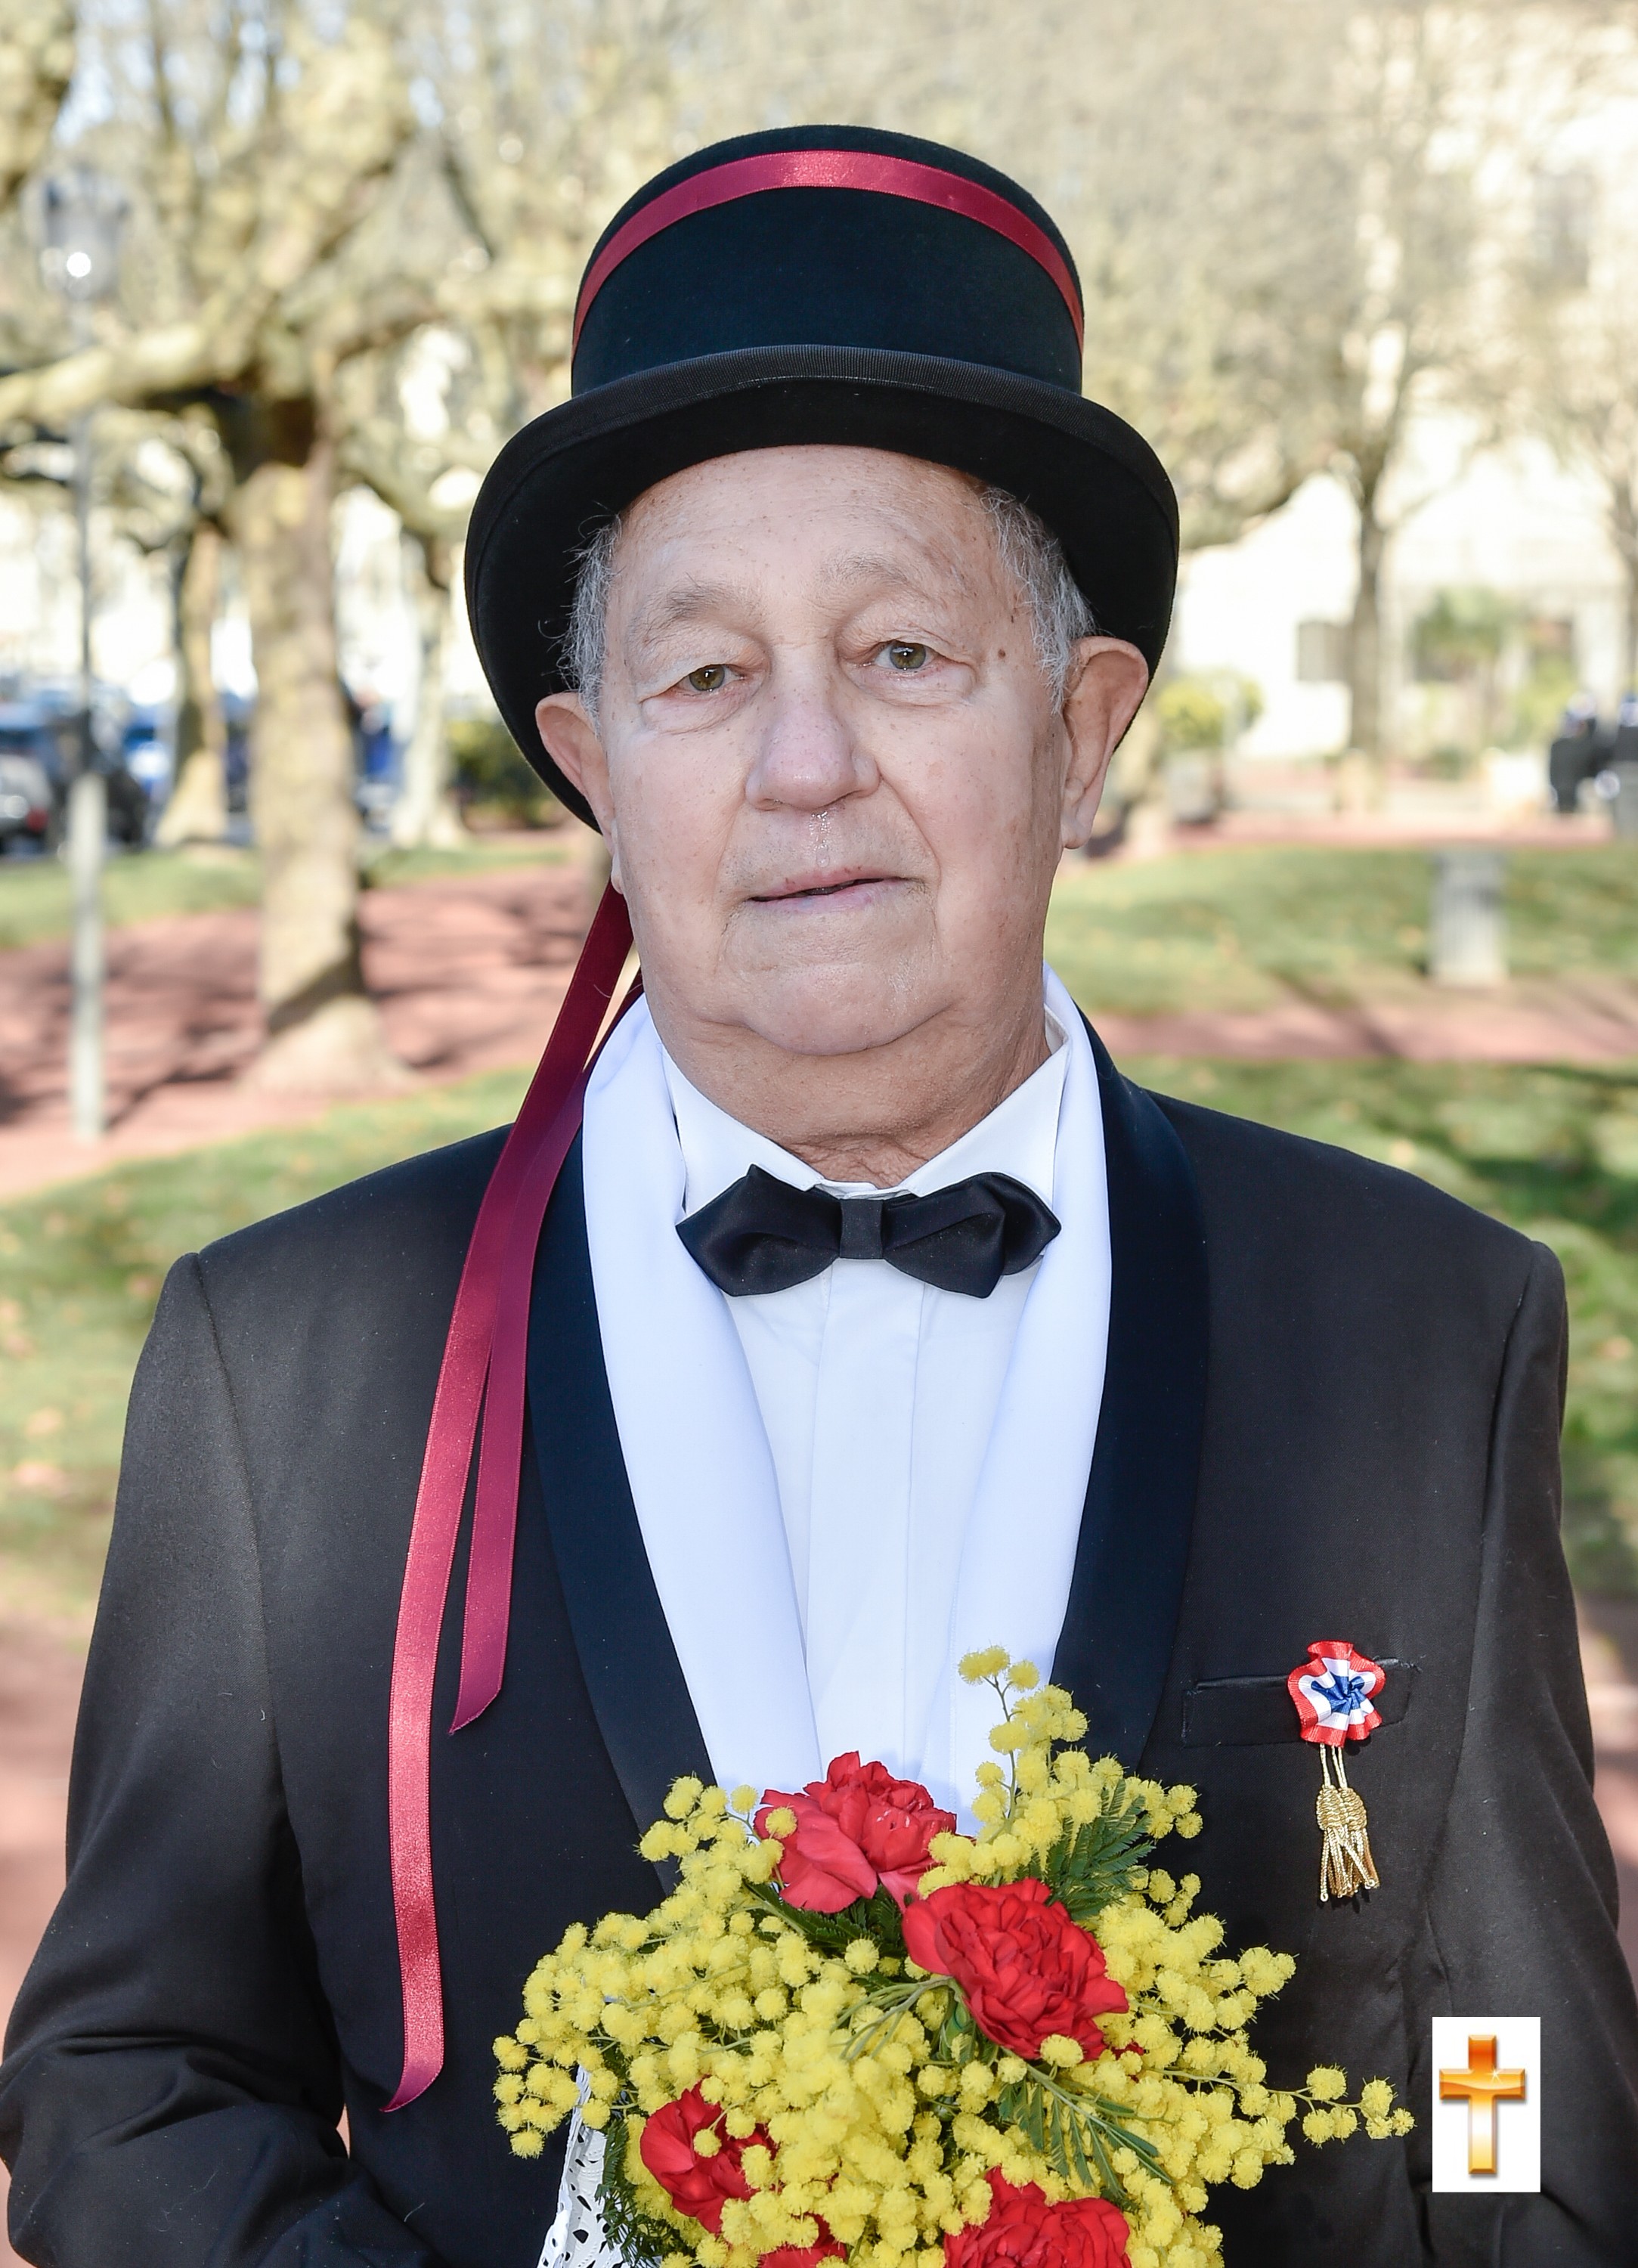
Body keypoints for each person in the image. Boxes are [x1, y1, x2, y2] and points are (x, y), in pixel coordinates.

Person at [3, 125, 1636, 2268]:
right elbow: (127, 2081)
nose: (803, 767)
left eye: (903, 655)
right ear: (595, 764)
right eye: (704, 677)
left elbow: (1503, 2055)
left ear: (1084, 730)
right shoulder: (289, 1370)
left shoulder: (1424, 1330)